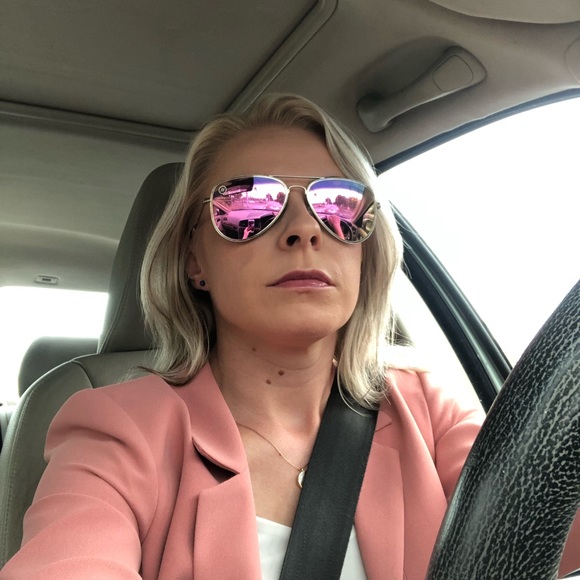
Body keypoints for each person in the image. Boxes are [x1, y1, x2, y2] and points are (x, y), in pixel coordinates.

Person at [1, 94, 578, 579]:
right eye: (249, 204)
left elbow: (548, 529)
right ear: (194, 258)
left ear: (364, 249)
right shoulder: (118, 430)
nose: (305, 229)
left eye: (338, 204)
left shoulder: (428, 409)